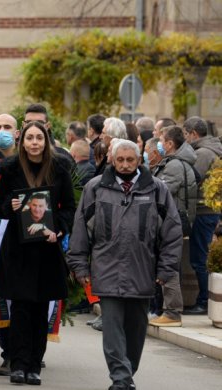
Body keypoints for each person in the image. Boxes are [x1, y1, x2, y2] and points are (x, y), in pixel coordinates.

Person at [67, 139, 181, 390]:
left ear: (139, 160)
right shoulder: (95, 188)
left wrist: (165, 269)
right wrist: (79, 266)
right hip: (106, 270)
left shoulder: (157, 189)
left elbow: (172, 232)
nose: (126, 165)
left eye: (131, 160)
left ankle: (126, 372)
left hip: (143, 271)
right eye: (121, 160)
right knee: (112, 327)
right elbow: (80, 230)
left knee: (136, 329)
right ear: (112, 160)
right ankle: (120, 378)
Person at [0, 121, 75, 386]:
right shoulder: (11, 168)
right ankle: (17, 364)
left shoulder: (60, 168)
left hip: (47, 250)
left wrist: (59, 230)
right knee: (20, 309)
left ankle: (34, 366)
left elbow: (69, 209)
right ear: (22, 141)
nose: (35, 142)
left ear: (46, 141)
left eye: (39, 137)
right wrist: (12, 205)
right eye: (30, 138)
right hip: (18, 250)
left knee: (40, 310)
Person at [149, 126, 197, 327]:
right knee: (168, 266)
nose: (158, 143)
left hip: (172, 222)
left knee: (169, 268)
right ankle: (165, 310)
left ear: (169, 144)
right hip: (170, 221)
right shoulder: (173, 163)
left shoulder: (175, 165)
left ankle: (172, 313)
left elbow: (161, 191)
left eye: (161, 139)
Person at [183, 116, 222, 315]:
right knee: (201, 256)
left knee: (199, 258)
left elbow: (192, 180)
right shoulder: (211, 148)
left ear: (193, 134)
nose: (185, 139)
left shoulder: (203, 153)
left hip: (203, 211)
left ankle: (204, 301)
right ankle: (204, 299)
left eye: (185, 134)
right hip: (209, 210)